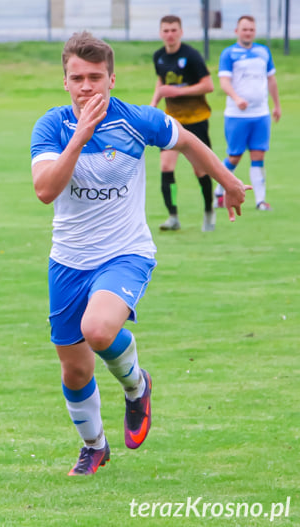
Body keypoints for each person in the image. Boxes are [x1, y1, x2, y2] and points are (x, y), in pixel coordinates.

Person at [30, 32, 249, 476]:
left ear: (112, 78)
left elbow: (187, 141)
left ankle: (136, 385)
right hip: (68, 261)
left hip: (125, 252)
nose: (86, 86)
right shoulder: (51, 127)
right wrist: (80, 137)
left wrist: (227, 182)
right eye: (77, 78)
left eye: (95, 77)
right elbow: (45, 190)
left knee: (97, 329)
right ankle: (94, 446)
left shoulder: (138, 120)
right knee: (74, 370)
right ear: (65, 82)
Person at [150, 15, 216, 232]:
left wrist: (178, 91)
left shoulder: (192, 56)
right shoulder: (158, 56)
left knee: (200, 170)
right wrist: (152, 106)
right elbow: (161, 83)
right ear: (160, 33)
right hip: (172, 121)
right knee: (166, 167)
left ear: (181, 32)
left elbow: (208, 85)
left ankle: (208, 211)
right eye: (166, 30)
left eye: (173, 30)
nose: (170, 34)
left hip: (196, 120)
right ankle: (173, 216)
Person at [213, 15, 282, 211]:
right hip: (237, 115)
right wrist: (236, 98)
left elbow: (271, 80)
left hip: (260, 114)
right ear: (237, 31)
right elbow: (224, 81)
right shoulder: (229, 53)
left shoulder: (263, 51)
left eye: (251, 29)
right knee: (234, 156)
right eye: (244, 29)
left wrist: (276, 105)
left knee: (258, 156)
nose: (248, 32)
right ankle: (219, 190)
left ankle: (260, 200)